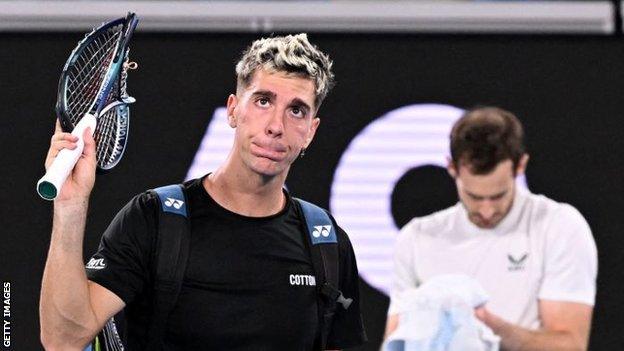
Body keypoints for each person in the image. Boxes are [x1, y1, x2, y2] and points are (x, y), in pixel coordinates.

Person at [40, 33, 366, 350]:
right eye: (263, 101)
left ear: (311, 131)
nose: (276, 126)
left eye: (297, 110)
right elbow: (63, 340)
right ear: (233, 110)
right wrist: (70, 206)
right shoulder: (152, 219)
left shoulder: (328, 245)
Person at [384, 106, 597, 350]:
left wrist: (484, 324)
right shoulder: (415, 238)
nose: (486, 211)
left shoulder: (560, 227)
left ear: (521, 166)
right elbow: (396, 341)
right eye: (474, 197)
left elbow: (570, 345)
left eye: (498, 196)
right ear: (452, 169)